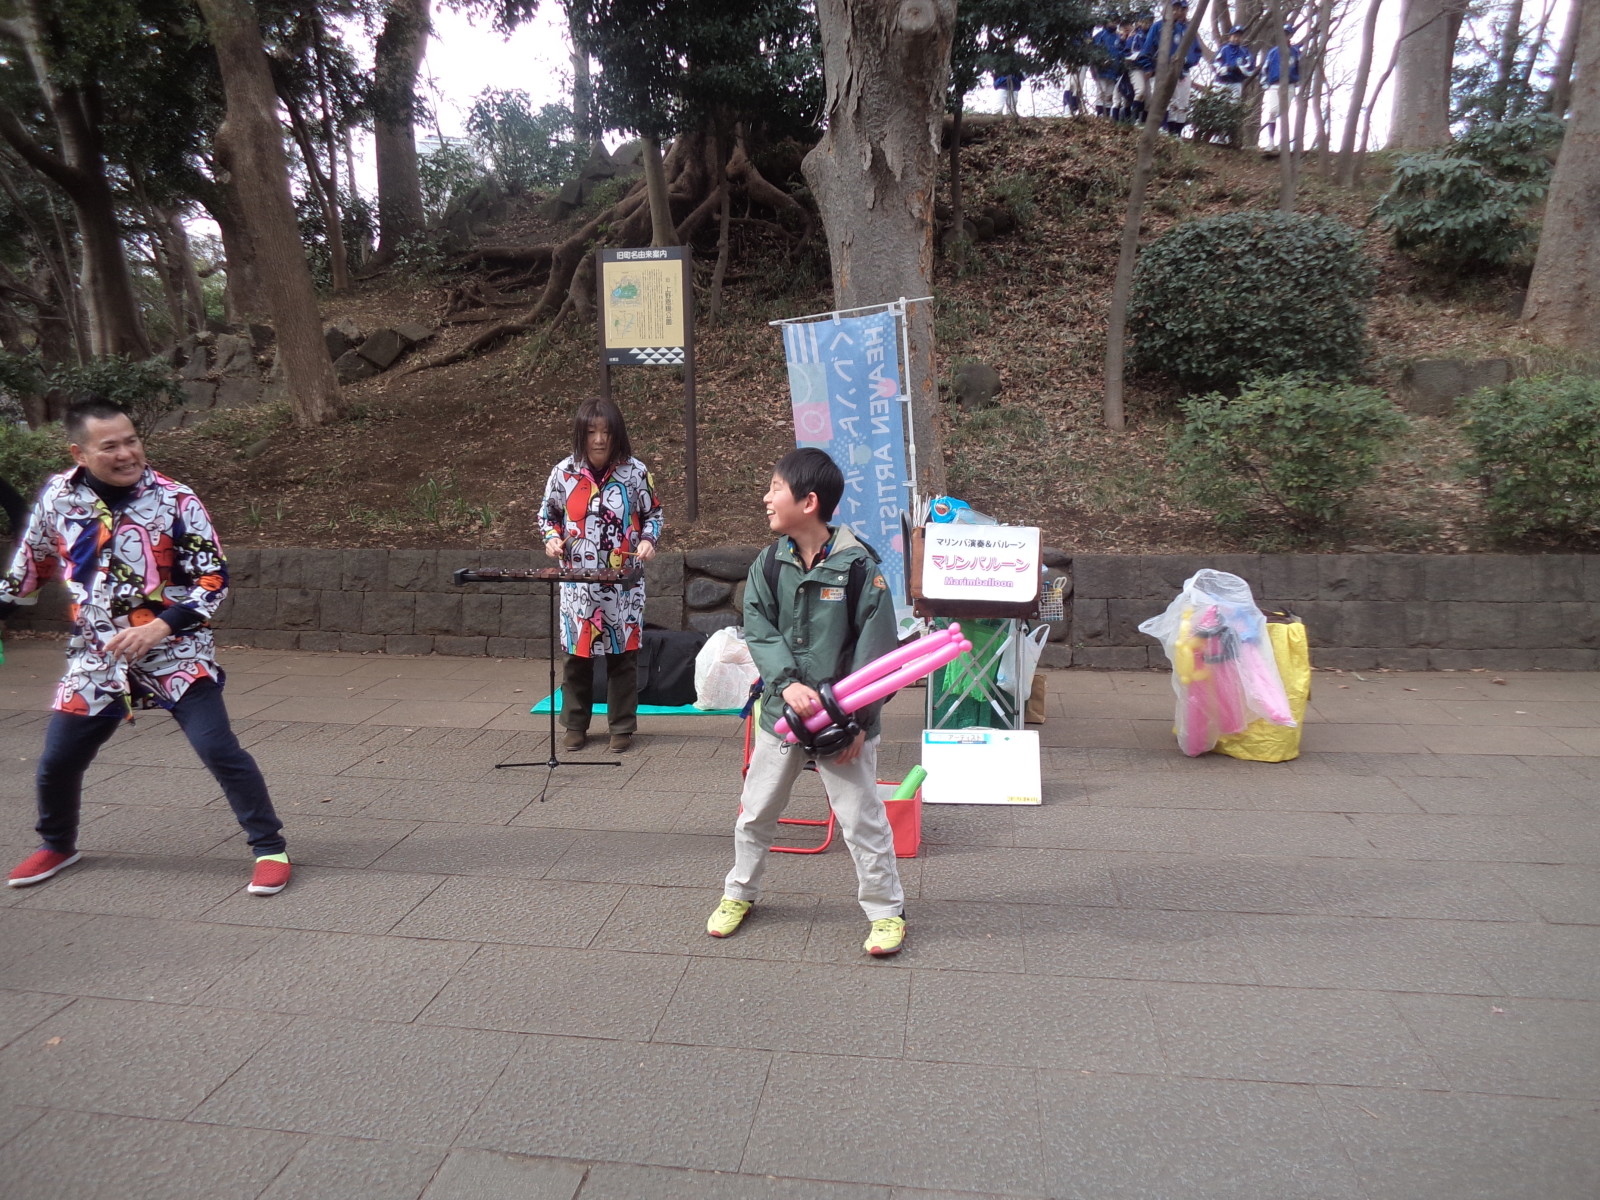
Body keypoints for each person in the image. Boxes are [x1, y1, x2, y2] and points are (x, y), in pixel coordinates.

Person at [2, 397, 290, 893]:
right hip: (96, 657)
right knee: (57, 761)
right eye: (110, 446)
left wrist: (159, 627)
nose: (126, 454)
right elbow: (32, 564)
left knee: (218, 748)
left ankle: (269, 847)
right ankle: (58, 844)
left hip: (176, 652)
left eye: (131, 441)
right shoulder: (58, 497)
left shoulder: (177, 500)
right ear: (80, 454)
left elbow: (213, 580)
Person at [706, 448, 906, 956]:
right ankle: (739, 893)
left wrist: (857, 721)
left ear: (809, 502)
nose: (766, 498)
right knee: (755, 813)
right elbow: (758, 627)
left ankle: (886, 911)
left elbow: (878, 653)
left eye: (775, 488)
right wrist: (787, 683)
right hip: (783, 716)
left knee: (861, 819)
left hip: (843, 723)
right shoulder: (769, 563)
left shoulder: (859, 568)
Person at [539, 396, 661, 753]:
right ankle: (575, 723)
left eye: (606, 431)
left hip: (624, 584)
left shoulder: (635, 472)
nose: (599, 439)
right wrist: (551, 539)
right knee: (576, 656)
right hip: (577, 583)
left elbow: (653, 514)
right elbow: (548, 515)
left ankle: (621, 726)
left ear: (616, 434)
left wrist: (649, 540)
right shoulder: (563, 472)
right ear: (581, 434)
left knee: (623, 656)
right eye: (591, 431)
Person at [1142, 0, 1205, 135]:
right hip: (1162, 70)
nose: (1178, 12)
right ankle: (1163, 129)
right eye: (1174, 8)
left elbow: (1196, 51)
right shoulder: (1158, 26)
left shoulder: (1188, 29)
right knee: (1166, 101)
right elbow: (1147, 49)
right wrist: (1149, 67)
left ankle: (1176, 134)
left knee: (1182, 104)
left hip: (1184, 71)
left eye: (1181, 9)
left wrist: (1187, 61)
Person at [1262, 25, 1301, 153]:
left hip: (1289, 85)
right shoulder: (1273, 52)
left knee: (1284, 113)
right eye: (1283, 33)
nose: (1285, 36)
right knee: (1273, 111)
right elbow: (1265, 68)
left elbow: (1301, 68)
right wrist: (1264, 83)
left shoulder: (1295, 52)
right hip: (1275, 84)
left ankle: (1282, 143)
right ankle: (1271, 142)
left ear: (1290, 35)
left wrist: (1298, 81)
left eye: (1287, 34)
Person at [1092, 17, 1129, 119]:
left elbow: (1122, 51)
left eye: (1115, 21)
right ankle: (1100, 114)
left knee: (1110, 94)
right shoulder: (1100, 35)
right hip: (1102, 70)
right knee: (1101, 91)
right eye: (1111, 21)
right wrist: (1098, 63)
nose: (1113, 23)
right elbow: (1094, 52)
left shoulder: (1118, 36)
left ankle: (1107, 115)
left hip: (1114, 70)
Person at [1127, 11, 1156, 124]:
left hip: (1150, 69)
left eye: (1150, 21)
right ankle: (1133, 120)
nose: (1147, 24)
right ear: (1139, 22)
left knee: (1149, 98)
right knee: (1140, 91)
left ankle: (1143, 123)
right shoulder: (1135, 36)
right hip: (1136, 67)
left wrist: (1152, 68)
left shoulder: (1154, 36)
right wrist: (1147, 66)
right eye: (1144, 21)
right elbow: (1134, 54)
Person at [1215, 25, 1255, 100]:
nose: (1237, 38)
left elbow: (1250, 68)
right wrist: (1227, 69)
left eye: (1239, 36)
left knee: (1234, 104)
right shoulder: (1223, 50)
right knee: (1219, 103)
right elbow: (1216, 65)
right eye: (1235, 36)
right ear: (1230, 37)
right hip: (1221, 82)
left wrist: (1239, 69)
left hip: (1236, 83)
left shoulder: (1244, 52)